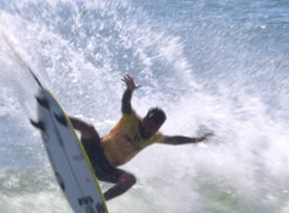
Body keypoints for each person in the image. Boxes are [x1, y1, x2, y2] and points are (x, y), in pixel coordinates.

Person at [68, 75, 213, 201]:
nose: (150, 130)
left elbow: (174, 140)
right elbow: (126, 103)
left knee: (130, 180)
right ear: (144, 120)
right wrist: (129, 89)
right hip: (94, 151)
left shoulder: (154, 137)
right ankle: (57, 117)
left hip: (105, 169)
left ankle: (100, 201)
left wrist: (196, 140)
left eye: (155, 128)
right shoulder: (130, 119)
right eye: (149, 125)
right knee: (88, 128)